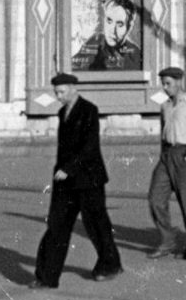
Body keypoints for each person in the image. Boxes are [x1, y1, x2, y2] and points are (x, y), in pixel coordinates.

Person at [31, 73, 122, 288]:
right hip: (65, 180)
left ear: (73, 88)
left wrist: (68, 168)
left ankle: (110, 264)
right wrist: (62, 171)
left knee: (97, 224)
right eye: (56, 92)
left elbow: (89, 147)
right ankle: (47, 277)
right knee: (56, 226)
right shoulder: (63, 112)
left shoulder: (89, 110)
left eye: (61, 92)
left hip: (88, 178)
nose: (58, 96)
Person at [148, 66, 186, 258]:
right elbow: (163, 131)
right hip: (167, 154)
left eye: (169, 84)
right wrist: (163, 154)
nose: (165, 88)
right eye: (163, 84)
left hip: (185, 153)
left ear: (179, 81)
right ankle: (167, 240)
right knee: (155, 198)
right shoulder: (165, 105)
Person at [70, 0, 141, 72]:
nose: (112, 31)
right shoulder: (95, 41)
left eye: (119, 24)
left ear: (129, 27)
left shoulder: (135, 56)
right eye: (109, 21)